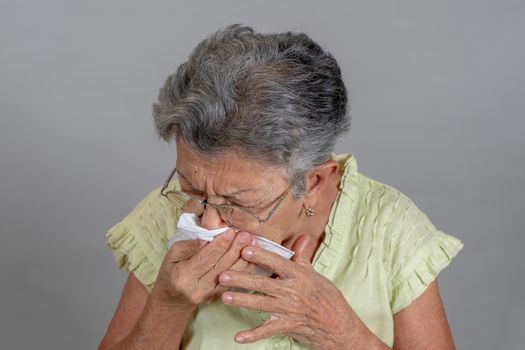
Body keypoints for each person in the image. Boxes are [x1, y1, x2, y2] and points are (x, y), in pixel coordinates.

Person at [98, 24, 463, 350]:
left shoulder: (388, 226)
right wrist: (168, 304)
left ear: (314, 181)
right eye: (192, 190)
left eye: (236, 201)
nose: (208, 223)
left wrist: (343, 335)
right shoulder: (162, 216)